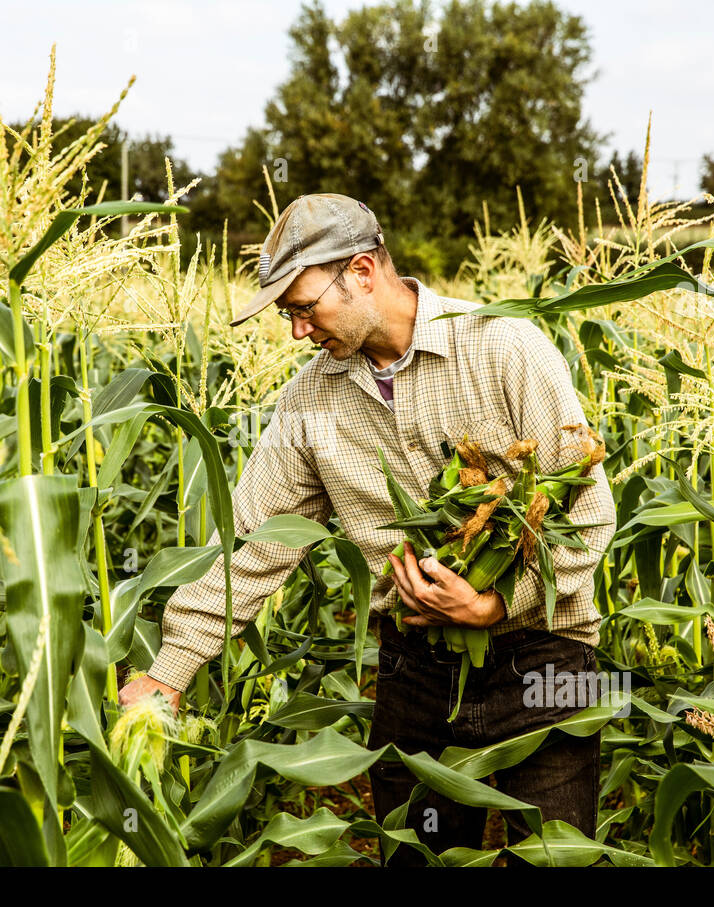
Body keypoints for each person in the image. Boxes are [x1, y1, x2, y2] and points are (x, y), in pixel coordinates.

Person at [119, 193, 616, 865]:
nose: (297, 331)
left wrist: (493, 603)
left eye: (301, 306)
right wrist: (170, 673)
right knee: (416, 855)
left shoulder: (504, 348)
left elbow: (586, 512)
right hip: (416, 668)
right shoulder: (308, 401)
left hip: (544, 655)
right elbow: (256, 542)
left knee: (555, 859)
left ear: (360, 271)